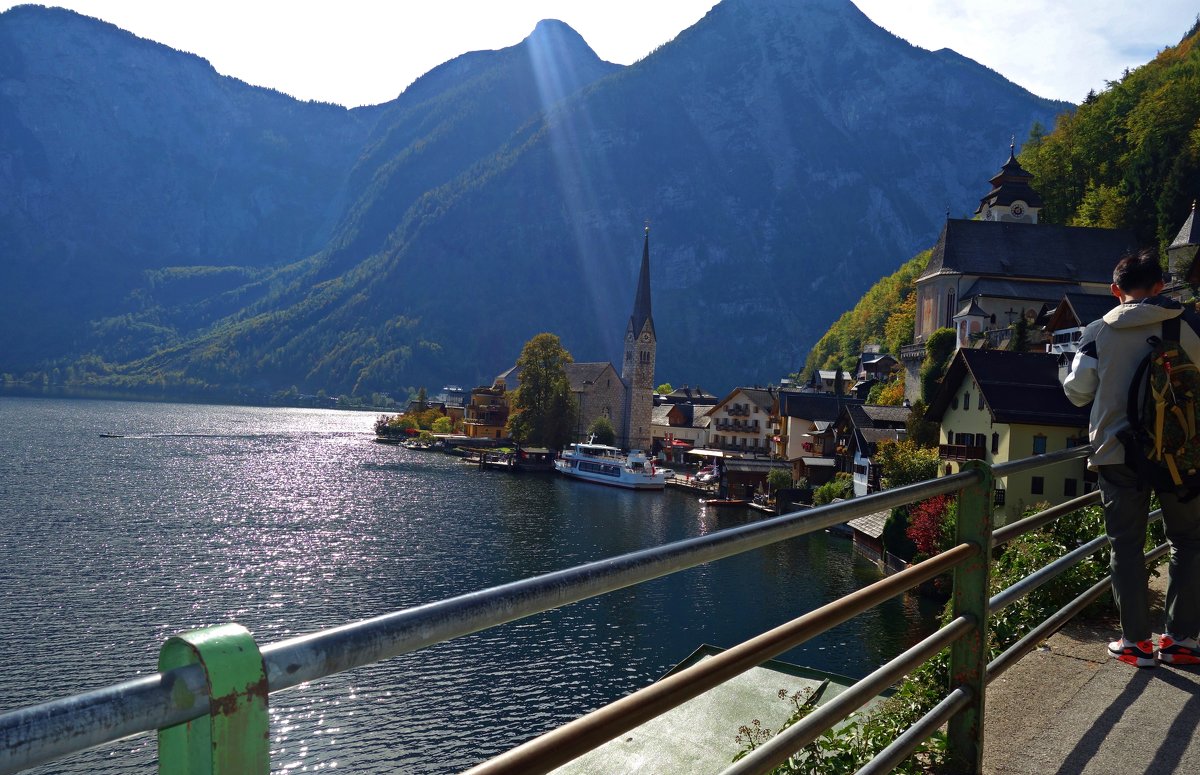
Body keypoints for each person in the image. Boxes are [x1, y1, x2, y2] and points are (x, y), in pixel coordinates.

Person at [1063, 248, 1200, 667]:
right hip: (1180, 455)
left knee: (1125, 547)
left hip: (1117, 451)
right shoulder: (1190, 325)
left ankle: (1136, 644)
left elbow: (1077, 390)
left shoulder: (1096, 331)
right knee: (1190, 544)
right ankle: (1180, 641)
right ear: (1160, 287)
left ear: (1114, 290)